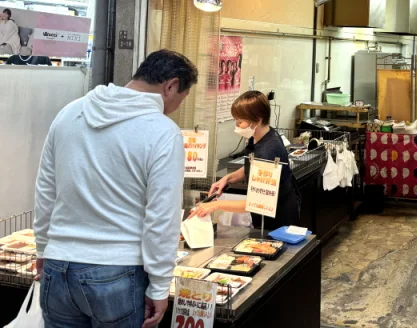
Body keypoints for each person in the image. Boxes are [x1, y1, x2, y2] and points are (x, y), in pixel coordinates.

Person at [34, 50, 199, 328]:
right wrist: (159, 286)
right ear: (170, 86)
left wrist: (43, 248)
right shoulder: (162, 131)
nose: (177, 107)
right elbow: (162, 217)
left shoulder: (69, 112)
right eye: (181, 99)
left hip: (58, 265)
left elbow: (45, 190)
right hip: (118, 273)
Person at [191, 90, 301, 230]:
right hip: (270, 212)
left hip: (277, 219)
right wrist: (228, 178)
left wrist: (215, 205)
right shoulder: (262, 135)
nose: (237, 126)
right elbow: (253, 166)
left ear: (258, 119)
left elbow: (259, 202)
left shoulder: (268, 151)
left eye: (240, 122)